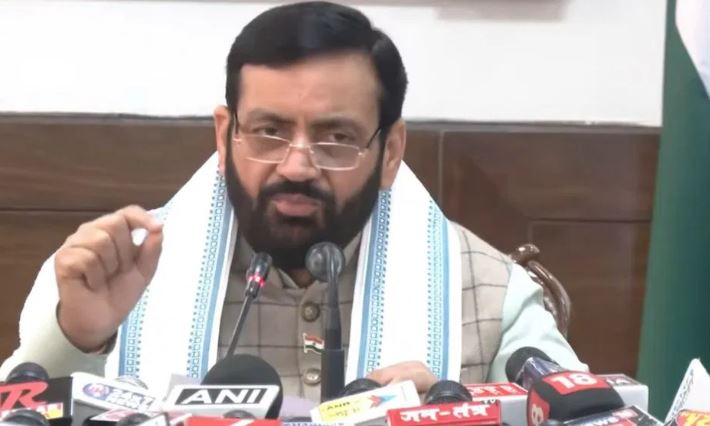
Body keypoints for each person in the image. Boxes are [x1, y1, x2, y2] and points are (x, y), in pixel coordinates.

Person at [0, 1, 584, 401]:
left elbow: (587, 410)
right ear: (224, 136)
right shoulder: (114, 276)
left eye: (336, 137)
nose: (297, 166)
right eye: (269, 131)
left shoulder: (488, 291)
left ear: (389, 151)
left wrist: (466, 409)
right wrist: (77, 340)